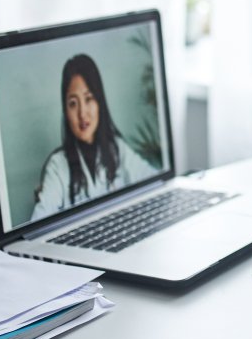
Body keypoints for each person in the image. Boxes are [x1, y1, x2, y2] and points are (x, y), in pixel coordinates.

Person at [30, 53, 158, 221]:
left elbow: (156, 182)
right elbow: (39, 221)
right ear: (65, 111)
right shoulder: (58, 166)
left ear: (100, 103)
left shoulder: (117, 150)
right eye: (73, 103)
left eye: (89, 99)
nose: (82, 113)